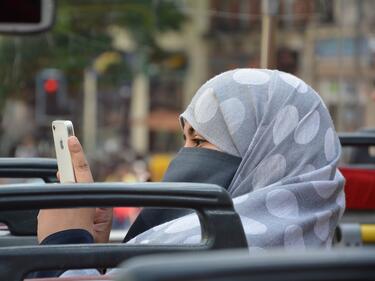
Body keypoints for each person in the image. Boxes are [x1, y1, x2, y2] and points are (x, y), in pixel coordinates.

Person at [36, 68, 345, 277]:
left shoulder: (210, 258)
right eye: (184, 140)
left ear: (262, 155)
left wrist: (63, 246)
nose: (185, 156)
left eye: (199, 140)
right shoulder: (309, 247)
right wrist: (97, 255)